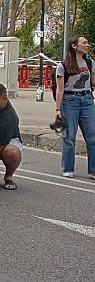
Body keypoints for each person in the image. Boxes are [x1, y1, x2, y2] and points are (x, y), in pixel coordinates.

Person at [54, 36, 95, 178]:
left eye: (87, 43)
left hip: (87, 100)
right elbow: (60, 89)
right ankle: (68, 169)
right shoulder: (63, 66)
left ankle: (93, 169)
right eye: (84, 43)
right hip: (69, 101)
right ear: (74, 46)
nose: (87, 45)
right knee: (69, 137)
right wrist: (58, 110)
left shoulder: (89, 63)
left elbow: (92, 83)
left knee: (92, 136)